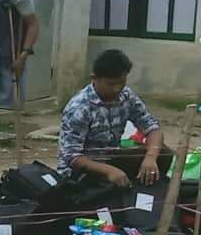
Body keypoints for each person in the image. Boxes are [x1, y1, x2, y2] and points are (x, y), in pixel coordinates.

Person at [59, 47, 165, 186]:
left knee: (163, 154)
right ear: (94, 78)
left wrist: (150, 158)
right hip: (81, 172)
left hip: (112, 159)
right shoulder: (80, 108)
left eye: (121, 82)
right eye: (110, 84)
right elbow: (72, 157)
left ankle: (147, 196)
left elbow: (153, 128)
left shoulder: (126, 96)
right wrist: (109, 171)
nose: (116, 89)